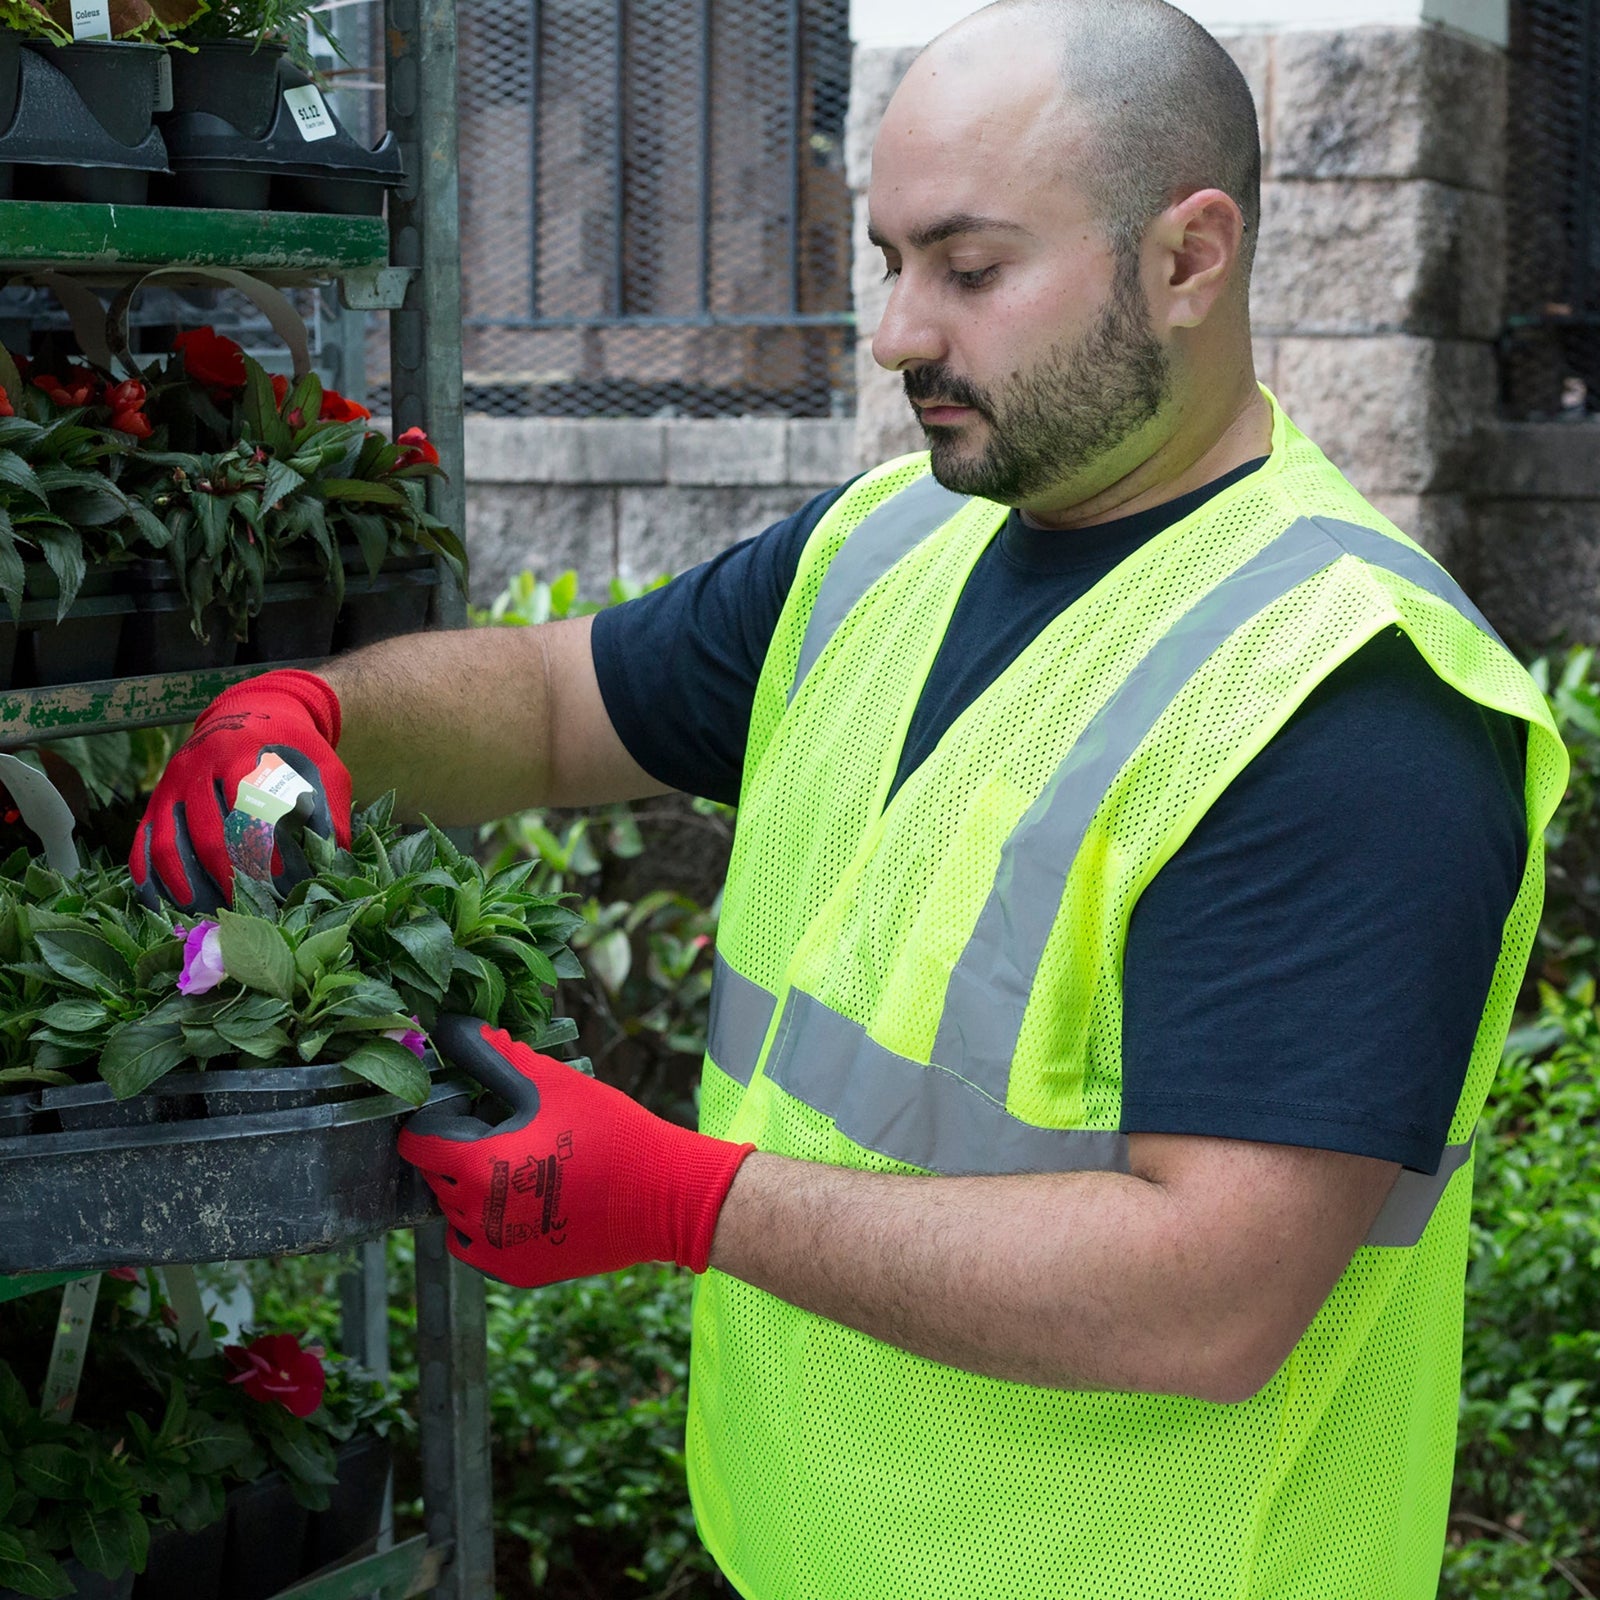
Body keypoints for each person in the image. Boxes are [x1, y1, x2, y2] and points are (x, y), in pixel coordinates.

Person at [133, 2, 1568, 1595]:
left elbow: (1209, 1293)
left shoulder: (1337, 694)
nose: (896, 335)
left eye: (969, 269)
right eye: (888, 262)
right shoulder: (887, 547)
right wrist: (313, 714)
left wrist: (682, 1199)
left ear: (1186, 261)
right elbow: (549, 704)